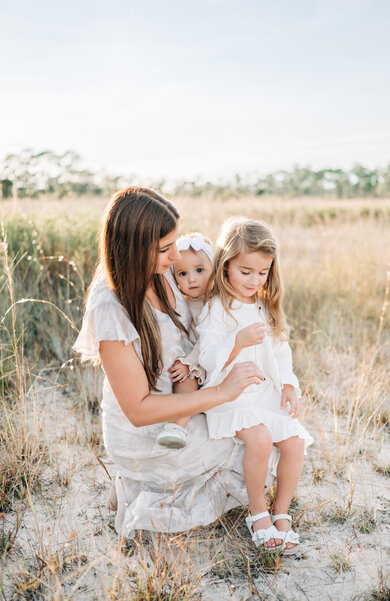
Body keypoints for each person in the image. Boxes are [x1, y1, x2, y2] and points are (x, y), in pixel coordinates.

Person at [73, 187, 279, 537]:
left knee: (267, 426)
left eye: (176, 242)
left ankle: (144, 483)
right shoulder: (109, 307)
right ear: (135, 250)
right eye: (165, 249)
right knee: (252, 443)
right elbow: (138, 410)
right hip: (150, 430)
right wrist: (223, 393)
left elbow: (216, 290)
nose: (175, 255)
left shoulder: (166, 271)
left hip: (189, 399)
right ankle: (137, 483)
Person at [197, 217, 313, 553]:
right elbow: (207, 357)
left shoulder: (265, 305)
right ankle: (257, 512)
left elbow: (281, 350)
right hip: (230, 396)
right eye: (245, 271)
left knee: (293, 442)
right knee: (261, 439)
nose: (254, 280)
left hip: (263, 392)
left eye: (262, 272)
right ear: (226, 264)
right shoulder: (217, 308)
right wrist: (237, 341)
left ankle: (281, 511)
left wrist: (289, 384)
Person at [156, 233, 214, 449]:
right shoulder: (184, 302)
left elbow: (209, 340)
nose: (192, 278)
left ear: (214, 270)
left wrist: (189, 361)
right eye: (182, 273)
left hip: (209, 356)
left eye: (199, 270)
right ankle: (177, 426)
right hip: (196, 354)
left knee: (186, 376)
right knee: (183, 380)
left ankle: (178, 423)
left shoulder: (214, 303)